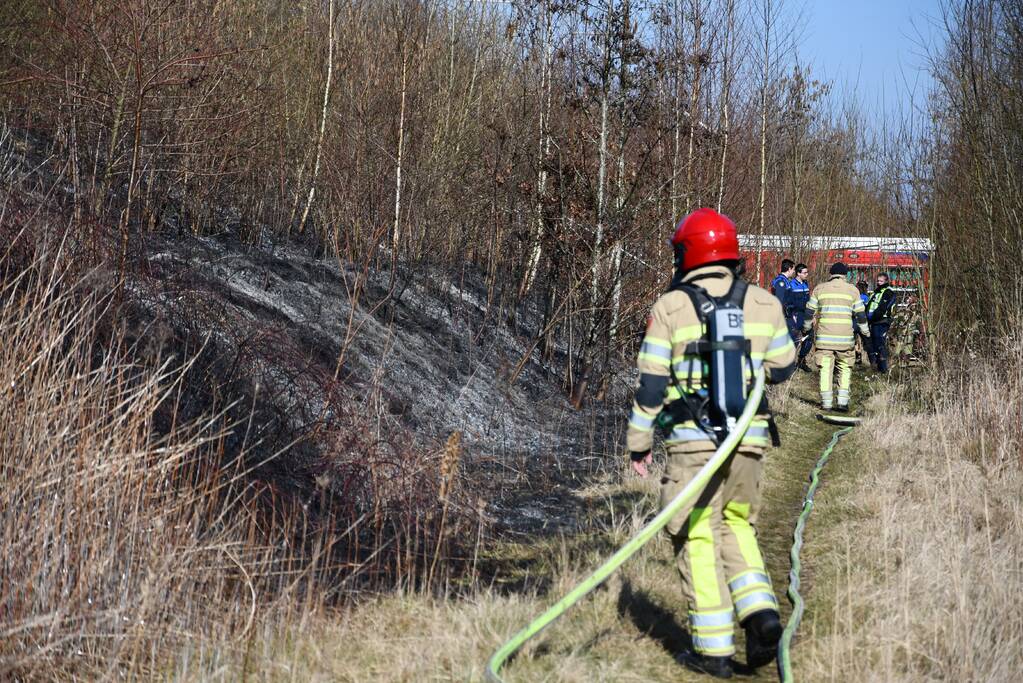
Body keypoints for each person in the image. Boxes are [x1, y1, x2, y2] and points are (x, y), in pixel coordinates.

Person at [626, 208, 797, 678]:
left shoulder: (670, 307)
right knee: (737, 526)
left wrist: (639, 443)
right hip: (748, 443)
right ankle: (761, 615)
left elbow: (650, 385)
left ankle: (713, 650)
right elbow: (784, 364)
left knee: (697, 536)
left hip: (691, 446)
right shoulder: (764, 302)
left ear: (688, 253)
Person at [803, 263, 869, 412]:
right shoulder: (853, 290)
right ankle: (842, 403)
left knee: (825, 369)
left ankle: (826, 403)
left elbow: (809, 312)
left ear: (831, 274)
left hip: (824, 340)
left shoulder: (820, 288)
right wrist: (866, 332)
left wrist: (806, 328)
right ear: (845, 275)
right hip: (845, 340)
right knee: (845, 369)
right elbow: (860, 314)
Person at [865, 272, 897, 373]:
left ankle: (883, 369)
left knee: (880, 345)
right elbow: (870, 306)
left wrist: (871, 318)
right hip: (874, 322)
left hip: (882, 321)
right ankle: (878, 368)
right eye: (878, 281)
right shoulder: (876, 292)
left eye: (881, 281)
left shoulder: (888, 292)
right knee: (874, 345)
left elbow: (882, 308)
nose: (879, 283)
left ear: (886, 281)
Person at [789, 264, 813, 372]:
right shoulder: (791, 284)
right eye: (804, 272)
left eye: (807, 272)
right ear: (798, 273)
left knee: (809, 338)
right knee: (794, 341)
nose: (806, 274)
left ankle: (801, 361)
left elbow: (809, 302)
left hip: (806, 315)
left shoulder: (806, 284)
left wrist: (812, 315)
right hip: (796, 316)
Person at [854, 281, 869, 365]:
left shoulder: (856, 297)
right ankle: (864, 356)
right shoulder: (866, 297)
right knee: (865, 339)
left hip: (855, 320)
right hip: (864, 320)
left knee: (856, 340)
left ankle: (858, 355)